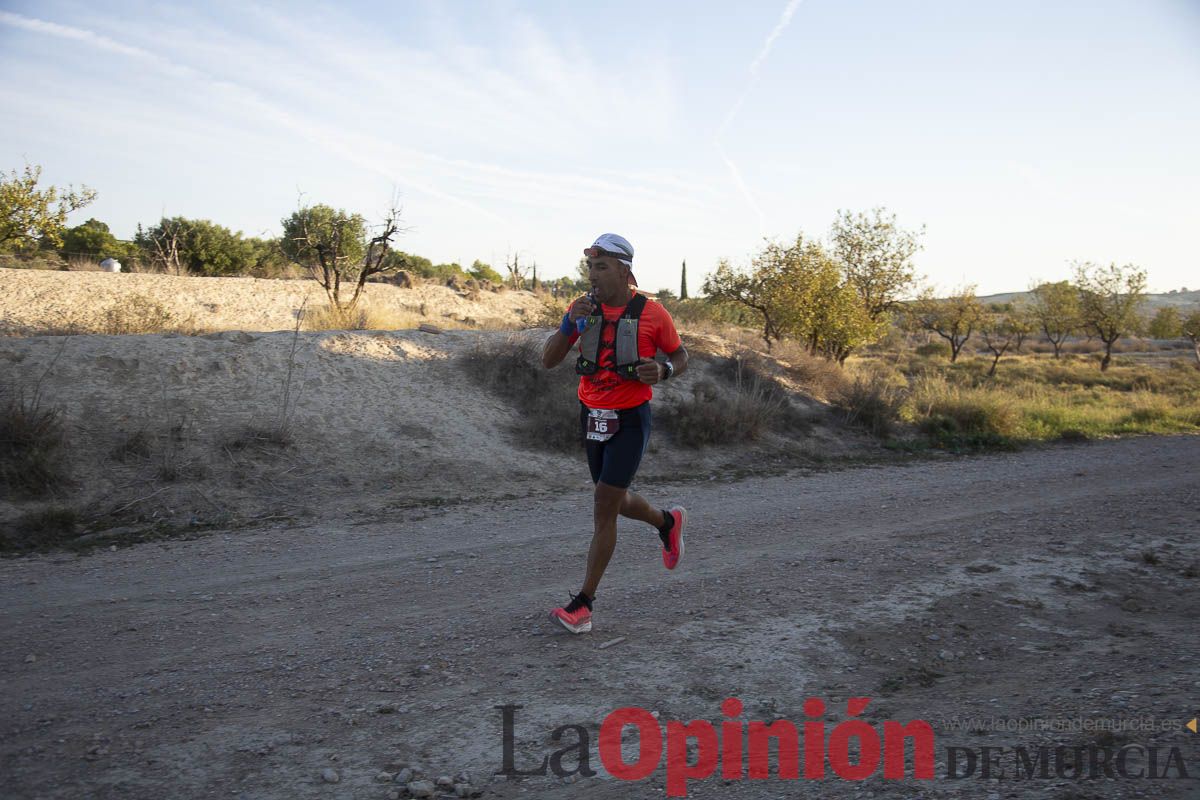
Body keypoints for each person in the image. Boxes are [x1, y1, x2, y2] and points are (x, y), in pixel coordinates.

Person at [541, 233, 689, 634]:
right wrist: (570, 323)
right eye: (590, 266)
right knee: (616, 498)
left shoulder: (653, 314)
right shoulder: (581, 308)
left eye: (602, 266)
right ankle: (666, 522)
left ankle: (583, 605)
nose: (593, 274)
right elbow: (549, 360)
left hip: (630, 418)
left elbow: (679, 355)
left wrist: (664, 371)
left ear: (624, 272)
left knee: (603, 504)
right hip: (591, 414)